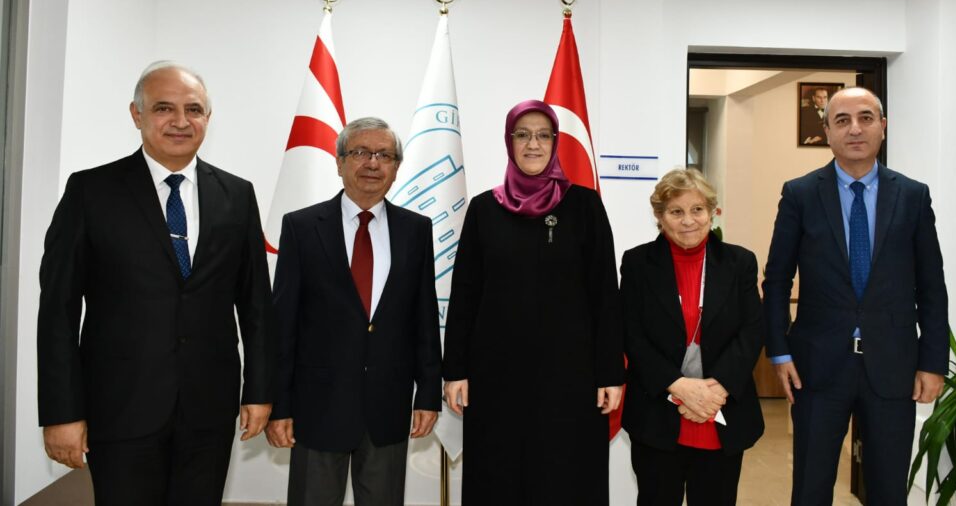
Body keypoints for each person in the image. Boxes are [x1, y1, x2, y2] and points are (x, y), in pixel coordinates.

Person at [37, 61, 275, 505]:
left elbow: (256, 305)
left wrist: (260, 391)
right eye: (164, 108)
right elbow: (57, 312)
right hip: (119, 409)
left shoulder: (238, 195)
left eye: (194, 109)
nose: (181, 121)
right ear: (137, 114)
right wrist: (62, 412)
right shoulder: (91, 191)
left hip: (209, 408)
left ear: (208, 117)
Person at [763, 87, 948, 505]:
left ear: (883, 126)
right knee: (810, 489)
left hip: (893, 366)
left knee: (888, 490)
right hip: (816, 368)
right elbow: (776, 280)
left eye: (866, 118)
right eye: (842, 121)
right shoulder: (800, 194)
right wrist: (779, 351)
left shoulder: (913, 196)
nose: (855, 129)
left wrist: (933, 362)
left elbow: (932, 285)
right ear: (827, 132)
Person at [442, 99, 624, 506]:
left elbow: (604, 295)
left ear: (556, 142)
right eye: (522, 135)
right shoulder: (483, 209)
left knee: (565, 480)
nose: (533, 144)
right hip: (495, 378)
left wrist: (611, 373)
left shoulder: (585, 206)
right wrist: (455, 370)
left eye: (543, 135)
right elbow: (465, 294)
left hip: (571, 378)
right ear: (509, 142)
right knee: (498, 479)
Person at [266, 117, 441, 506]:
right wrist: (280, 405)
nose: (373, 163)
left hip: (388, 406)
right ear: (339, 161)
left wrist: (428, 394)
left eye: (385, 155)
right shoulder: (302, 227)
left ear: (396, 166)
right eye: (361, 152)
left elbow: (424, 318)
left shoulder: (416, 230)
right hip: (317, 408)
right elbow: (284, 324)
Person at [620, 167, 764, 506]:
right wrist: (678, 386)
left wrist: (717, 390)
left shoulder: (740, 262)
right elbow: (630, 333)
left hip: (721, 412)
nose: (688, 221)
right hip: (658, 415)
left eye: (697, 209)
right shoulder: (638, 263)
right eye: (676, 211)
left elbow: (752, 329)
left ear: (712, 213)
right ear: (659, 217)